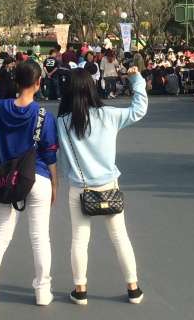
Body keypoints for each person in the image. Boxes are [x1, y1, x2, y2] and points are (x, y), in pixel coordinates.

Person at [0, 61, 58, 306]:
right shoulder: (44, 116)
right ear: (38, 83)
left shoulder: (0, 109)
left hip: (9, 179)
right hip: (38, 177)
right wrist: (55, 184)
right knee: (40, 238)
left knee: (0, 235)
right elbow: (50, 155)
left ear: (16, 82)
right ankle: (42, 291)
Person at [57, 66, 148, 305]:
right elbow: (139, 109)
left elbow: (60, 158)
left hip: (80, 187)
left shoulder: (63, 122)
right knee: (120, 237)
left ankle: (80, 290)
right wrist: (136, 79)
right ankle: (133, 289)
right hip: (109, 185)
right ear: (91, 87)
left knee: (79, 239)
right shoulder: (109, 115)